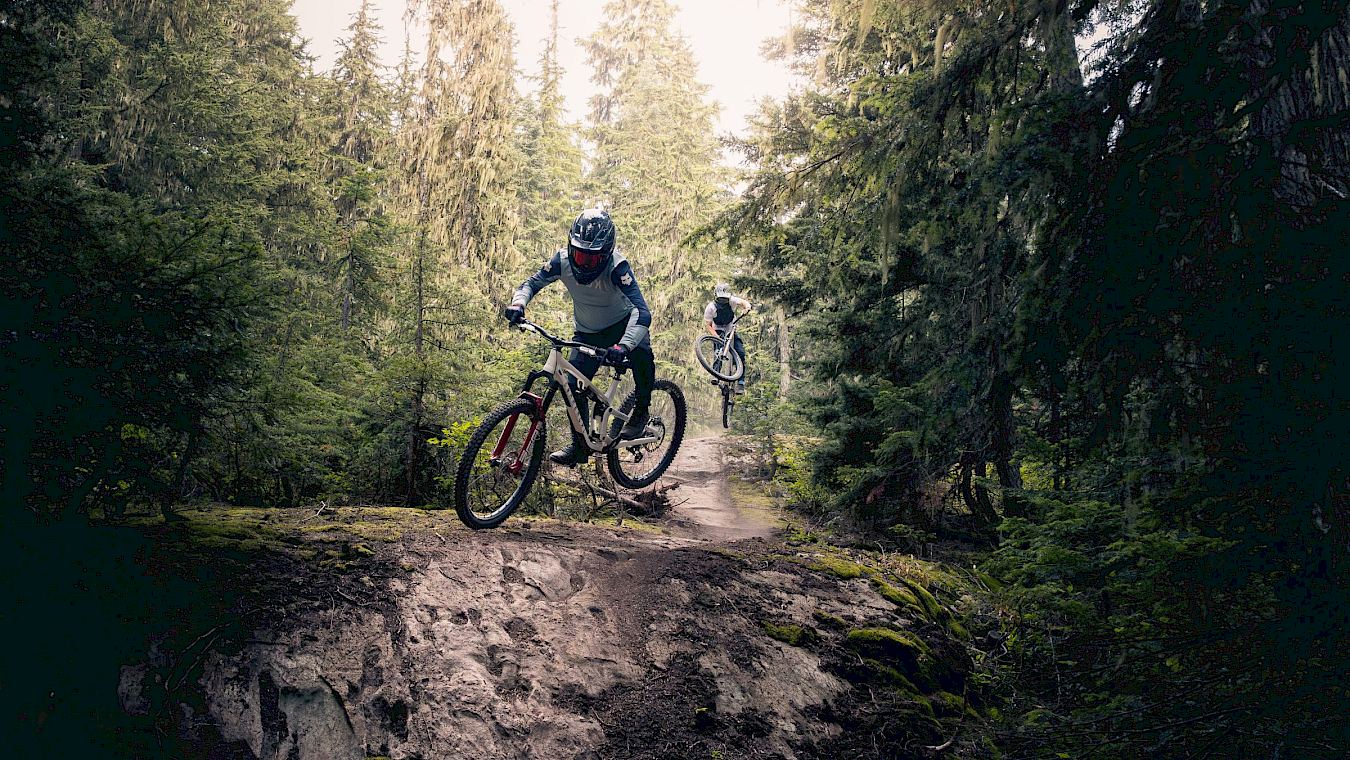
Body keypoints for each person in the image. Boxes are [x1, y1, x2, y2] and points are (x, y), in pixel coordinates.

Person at [504, 208, 656, 466]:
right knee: (572, 386)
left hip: (623, 327)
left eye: (592, 259)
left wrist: (625, 345)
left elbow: (642, 313)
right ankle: (580, 446)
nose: (584, 262)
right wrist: (518, 304)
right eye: (579, 254)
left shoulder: (618, 267)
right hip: (587, 332)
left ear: (606, 254)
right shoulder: (561, 261)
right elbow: (530, 283)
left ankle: (641, 411)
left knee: (642, 354)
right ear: (570, 246)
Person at [703, 283, 752, 393]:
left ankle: (740, 382)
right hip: (718, 329)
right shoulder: (710, 307)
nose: (723, 302)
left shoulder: (732, 300)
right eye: (721, 299)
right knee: (718, 351)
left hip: (731, 327)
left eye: (725, 299)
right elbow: (708, 326)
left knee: (740, 353)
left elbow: (744, 302)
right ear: (716, 297)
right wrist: (716, 337)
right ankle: (715, 374)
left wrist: (747, 307)